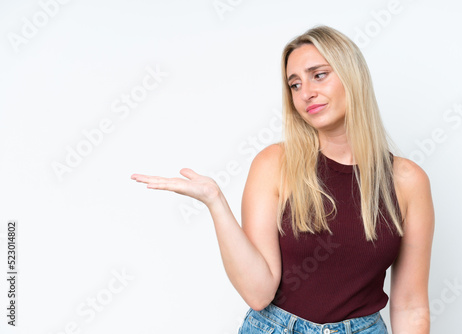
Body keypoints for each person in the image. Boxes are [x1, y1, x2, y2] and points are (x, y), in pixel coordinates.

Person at [131, 25, 434, 334]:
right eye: (295, 84)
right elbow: (258, 292)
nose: (306, 93)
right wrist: (216, 202)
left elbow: (411, 305)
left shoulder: (408, 181)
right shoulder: (275, 164)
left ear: (352, 76)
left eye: (319, 75)